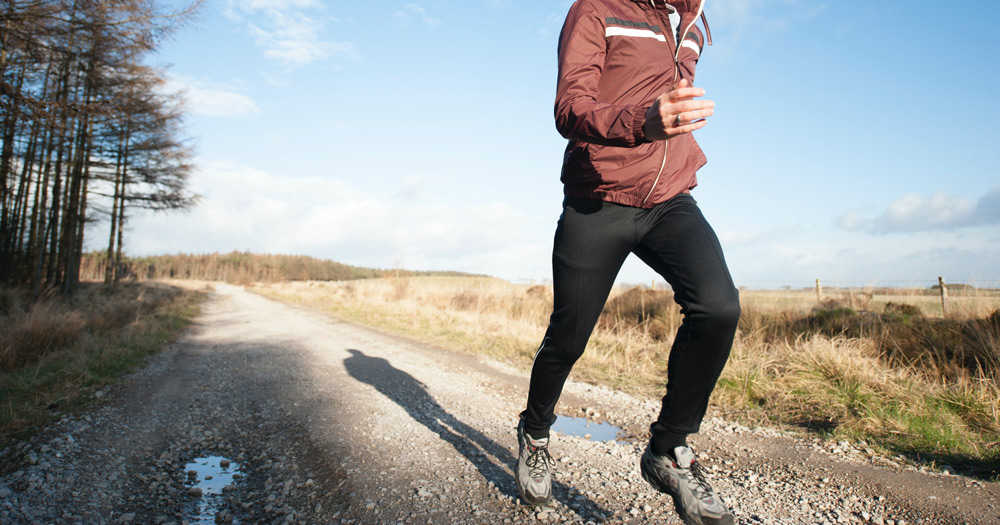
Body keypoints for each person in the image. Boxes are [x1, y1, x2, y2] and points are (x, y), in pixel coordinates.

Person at [515, 1, 740, 523]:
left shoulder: (695, 24)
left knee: (718, 307)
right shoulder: (597, 9)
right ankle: (535, 429)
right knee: (569, 335)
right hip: (600, 195)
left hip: (669, 198)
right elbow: (569, 108)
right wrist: (644, 121)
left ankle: (669, 449)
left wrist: (671, 124)